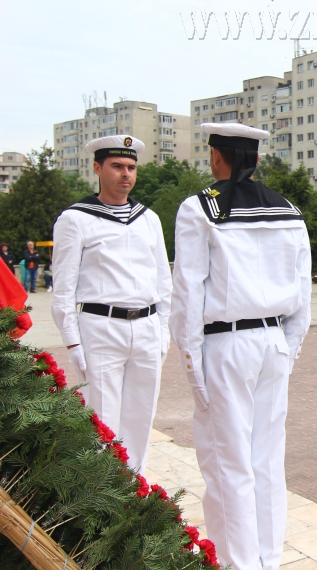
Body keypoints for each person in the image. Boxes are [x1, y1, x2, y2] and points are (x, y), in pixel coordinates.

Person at [170, 123, 311, 569]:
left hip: (226, 344)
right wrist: (288, 348)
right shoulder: (288, 210)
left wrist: (192, 362)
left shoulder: (200, 209)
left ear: (217, 158)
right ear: (254, 159)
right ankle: (267, 561)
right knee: (267, 461)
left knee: (228, 462)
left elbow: (189, 292)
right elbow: (302, 293)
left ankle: (237, 563)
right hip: (272, 341)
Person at [51, 135, 172, 473]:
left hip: (146, 327)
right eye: (117, 166)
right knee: (103, 421)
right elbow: (63, 287)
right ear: (97, 168)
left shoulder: (148, 218)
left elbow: (164, 281)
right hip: (100, 328)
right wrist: (72, 340)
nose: (126, 174)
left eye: (131, 167)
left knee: (140, 417)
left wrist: (162, 331)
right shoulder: (76, 219)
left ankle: (134, 494)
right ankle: (102, 497)